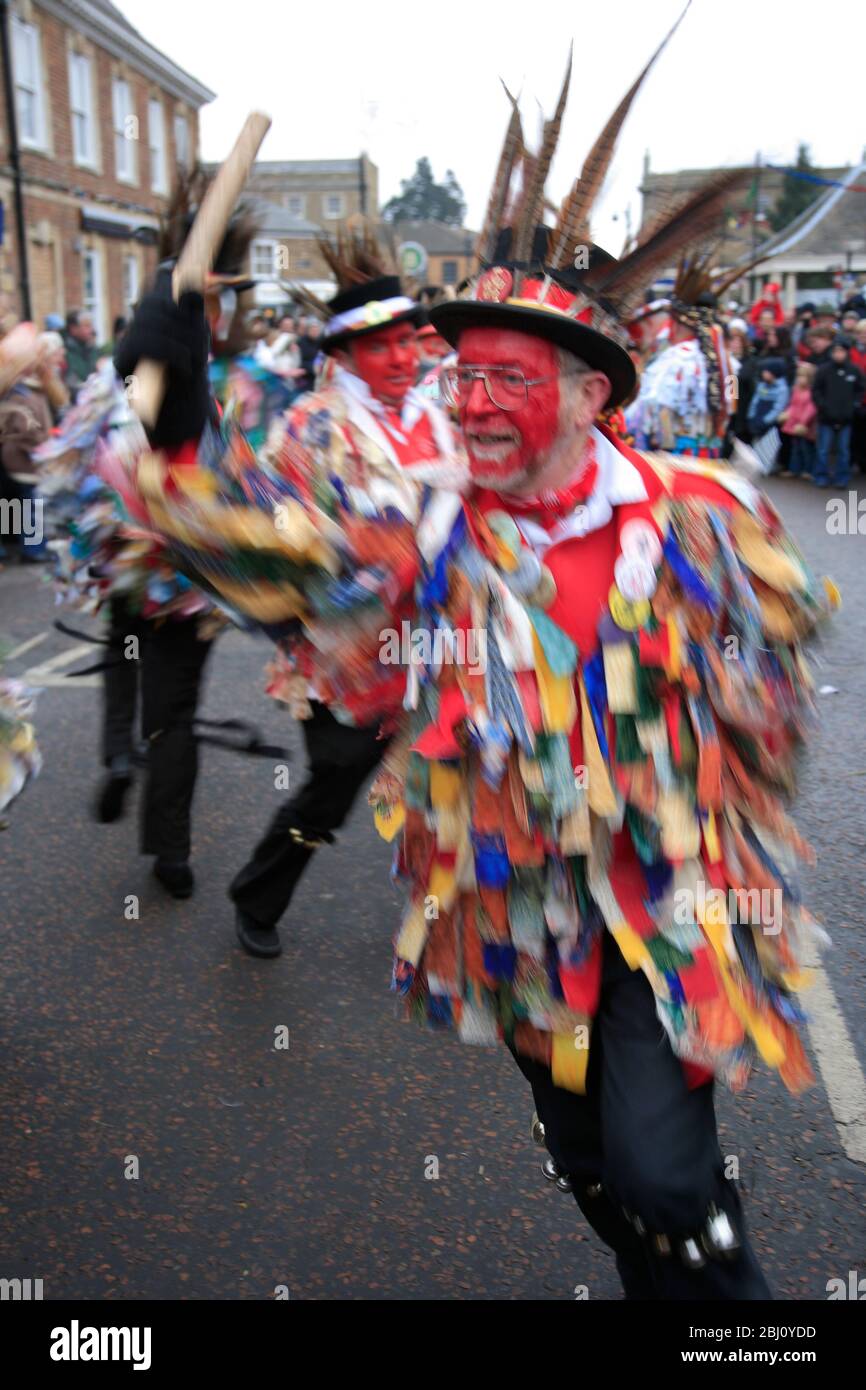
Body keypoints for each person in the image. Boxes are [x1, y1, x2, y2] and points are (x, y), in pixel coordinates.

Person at [812, 336, 866, 488]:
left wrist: (854, 405)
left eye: (841, 351)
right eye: (835, 351)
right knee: (823, 449)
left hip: (846, 418)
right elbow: (816, 391)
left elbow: (860, 390)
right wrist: (822, 406)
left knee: (844, 450)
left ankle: (842, 477)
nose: (838, 354)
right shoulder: (824, 370)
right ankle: (821, 476)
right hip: (826, 418)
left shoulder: (854, 371)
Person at [778, 362, 817, 479]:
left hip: (806, 425)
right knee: (795, 448)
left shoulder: (811, 392)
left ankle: (808, 470)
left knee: (806, 449)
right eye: (799, 376)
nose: (800, 379)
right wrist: (786, 414)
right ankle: (794, 469)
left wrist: (803, 423)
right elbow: (792, 405)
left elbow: (811, 409)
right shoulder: (796, 389)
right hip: (794, 423)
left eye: (803, 376)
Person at [62, 310, 99, 397]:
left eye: (91, 326)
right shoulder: (65, 352)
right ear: (73, 329)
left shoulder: (91, 348)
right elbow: (72, 384)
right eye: (87, 326)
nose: (91, 330)